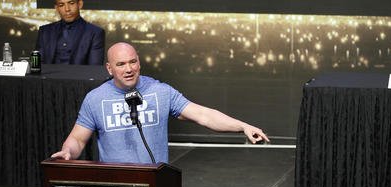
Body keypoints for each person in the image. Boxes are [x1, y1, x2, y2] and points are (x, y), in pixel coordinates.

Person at [51, 42, 269, 163]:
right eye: (121, 64)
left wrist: (243, 126)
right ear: (109, 69)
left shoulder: (160, 91)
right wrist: (67, 151)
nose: (128, 69)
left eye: (133, 62)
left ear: (139, 63)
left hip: (157, 183)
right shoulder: (95, 98)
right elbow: (78, 140)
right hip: (115, 183)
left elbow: (203, 115)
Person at [35, 0, 105, 65]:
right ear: (56, 8)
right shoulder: (45, 31)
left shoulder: (95, 33)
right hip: (49, 77)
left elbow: (94, 69)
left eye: (71, 3)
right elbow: (38, 65)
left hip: (80, 77)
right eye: (61, 5)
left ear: (80, 4)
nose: (67, 9)